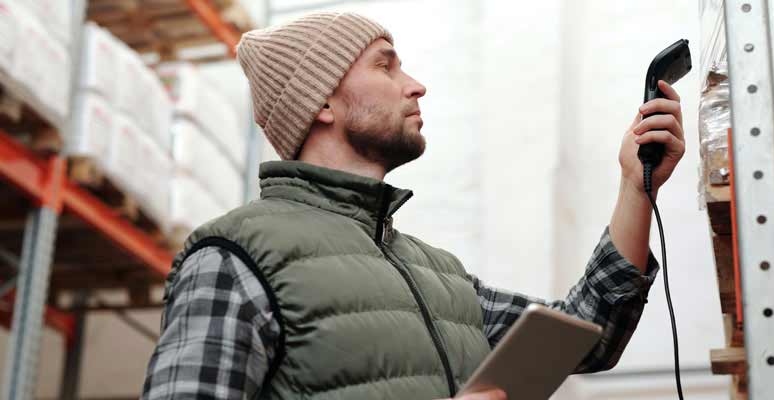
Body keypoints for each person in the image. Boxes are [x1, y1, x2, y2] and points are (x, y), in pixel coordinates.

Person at [141, 11, 685, 400]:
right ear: (322, 101)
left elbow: (588, 335)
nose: (416, 86)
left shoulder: (438, 275)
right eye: (386, 66)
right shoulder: (233, 258)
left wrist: (636, 187)